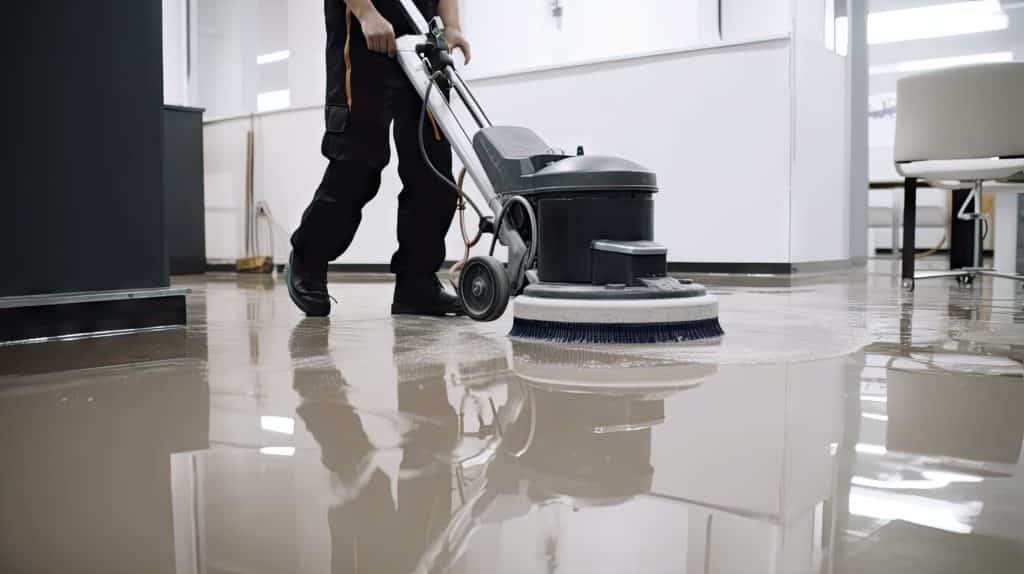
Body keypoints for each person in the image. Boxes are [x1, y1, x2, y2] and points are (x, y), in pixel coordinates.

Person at [286, 0, 471, 317]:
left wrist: (451, 26)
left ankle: (417, 284)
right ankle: (309, 257)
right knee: (358, 162)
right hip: (363, 32)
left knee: (434, 171)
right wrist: (366, 12)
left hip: (424, 38)